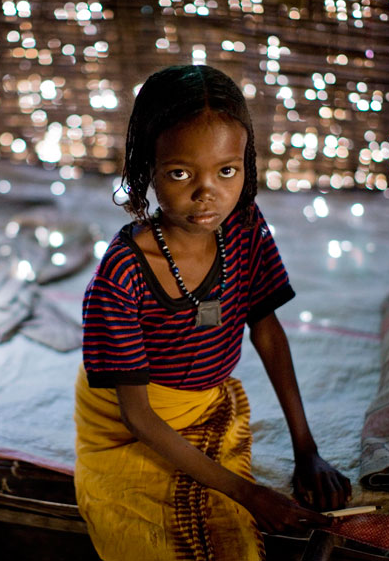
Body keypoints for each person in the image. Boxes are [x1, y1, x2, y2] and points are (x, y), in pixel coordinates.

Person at [74, 64, 352, 561]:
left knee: (231, 541)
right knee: (150, 537)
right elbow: (137, 416)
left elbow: (267, 331)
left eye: (227, 170)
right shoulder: (122, 273)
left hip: (204, 402)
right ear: (147, 170)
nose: (208, 193)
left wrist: (306, 450)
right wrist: (249, 492)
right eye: (181, 173)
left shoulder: (243, 226)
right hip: (128, 423)